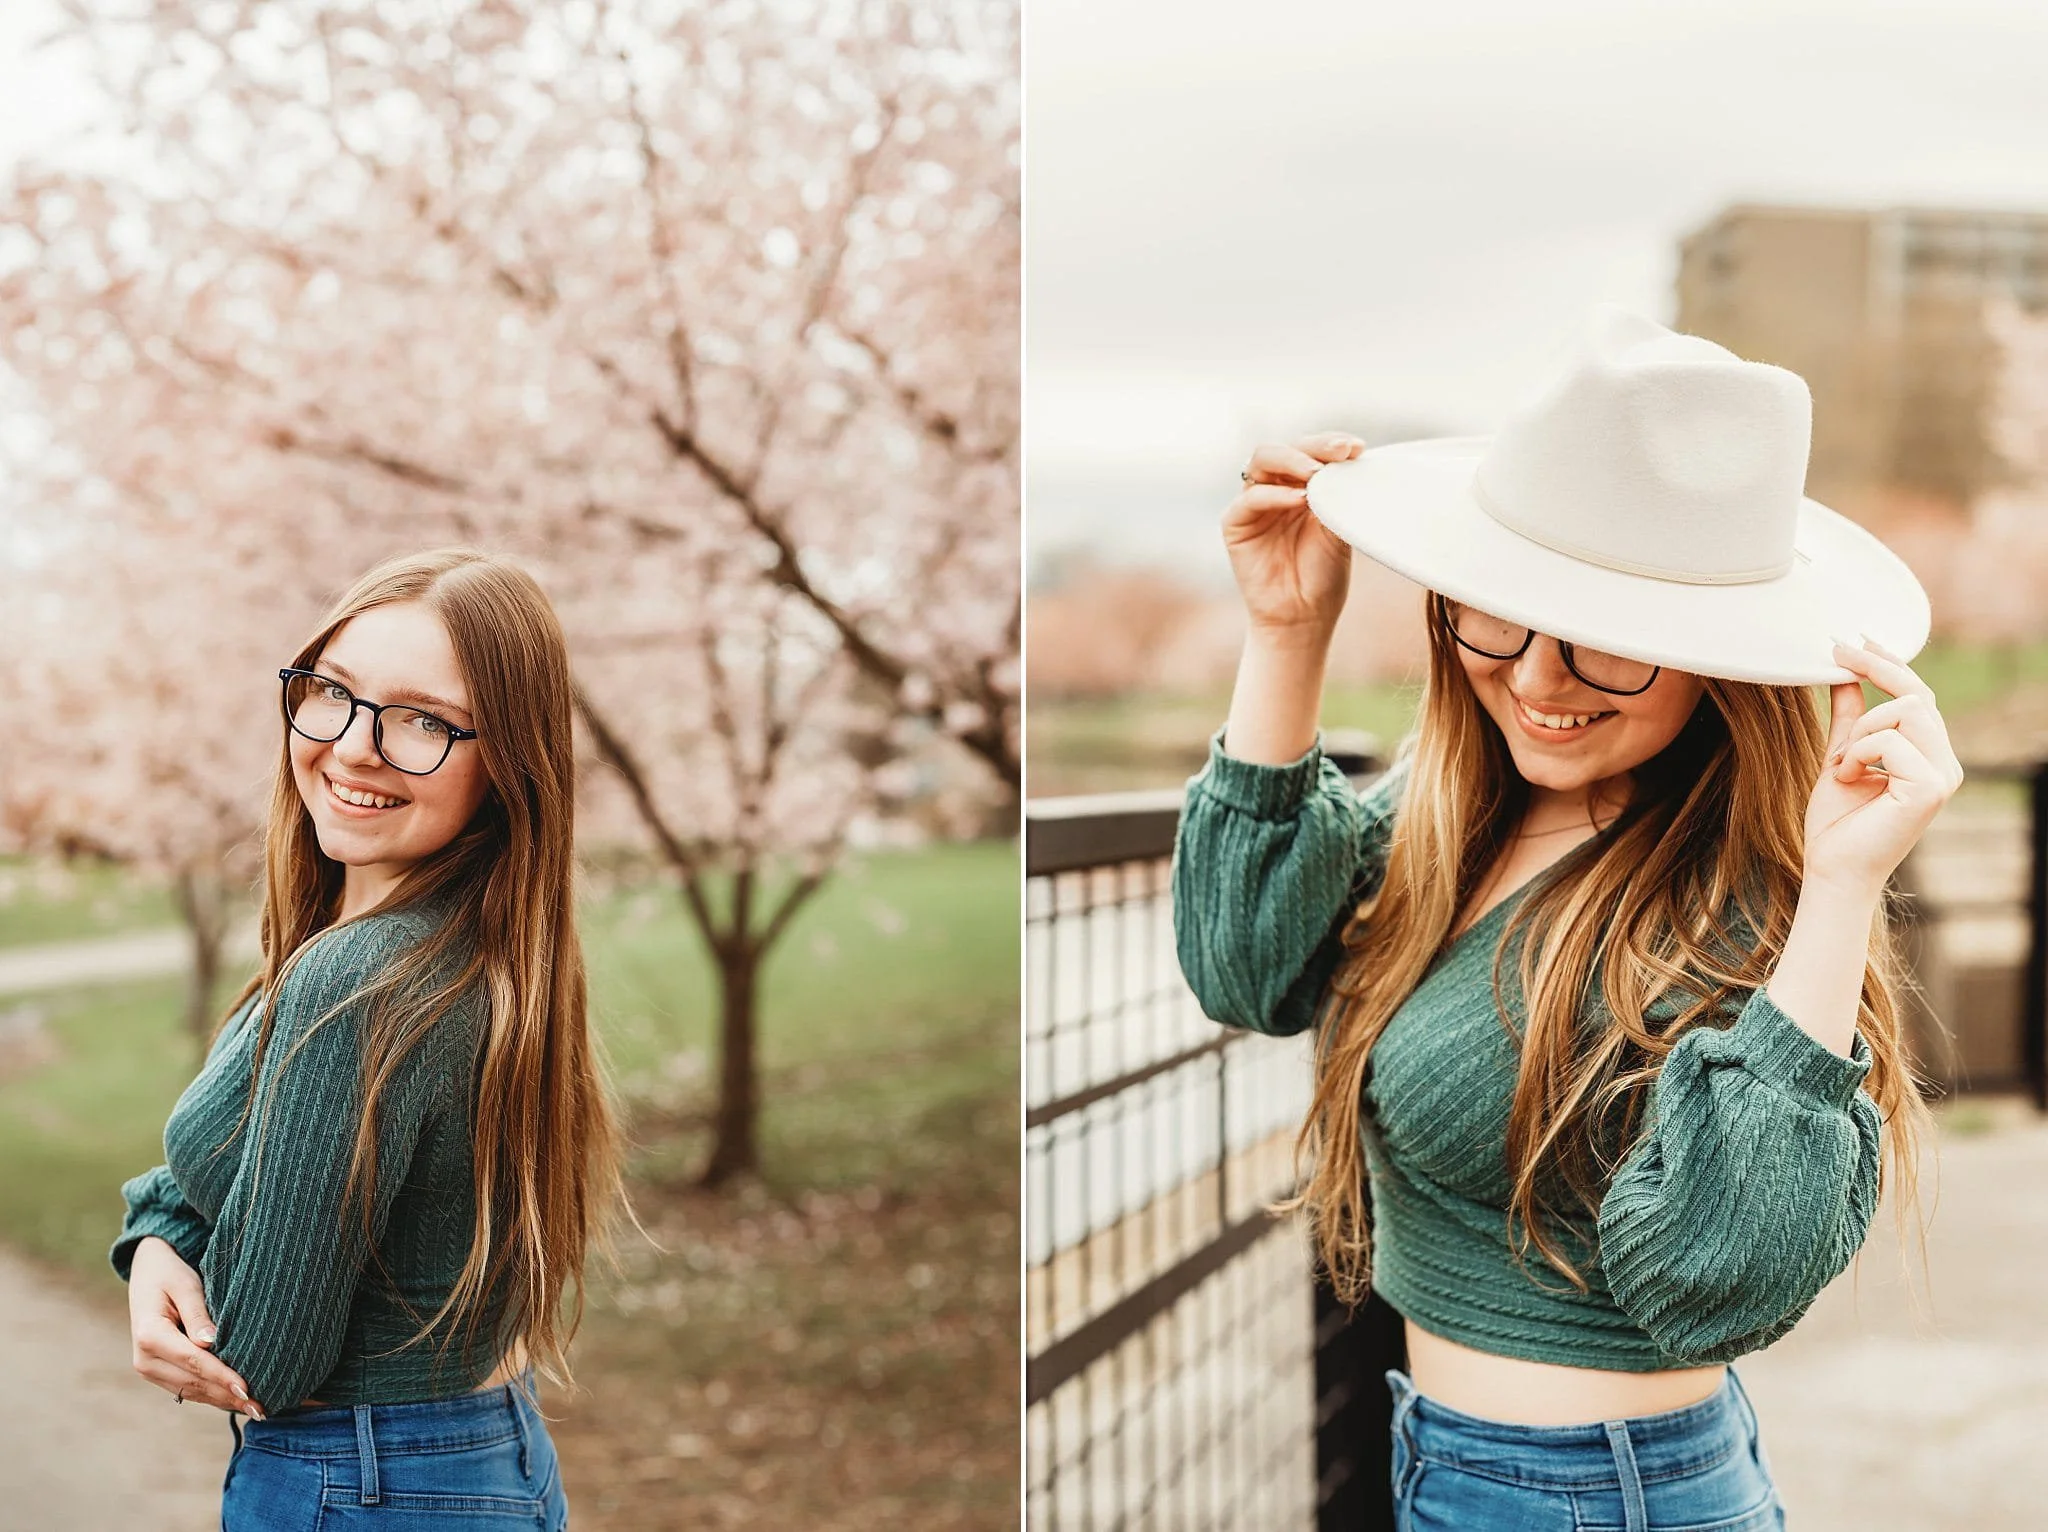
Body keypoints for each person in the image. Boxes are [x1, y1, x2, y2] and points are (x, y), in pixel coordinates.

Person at [1171, 307, 1960, 1530]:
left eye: (1607, 648)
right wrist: (1285, 633)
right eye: (1497, 614)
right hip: (1461, 1465)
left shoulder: (1733, 907)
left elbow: (1713, 1280)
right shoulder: (1453, 821)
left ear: (1715, 662)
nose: (1536, 681)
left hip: (1597, 1496)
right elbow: (1241, 961)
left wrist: (1839, 888)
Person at [111, 547, 624, 1531]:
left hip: (365, 1481)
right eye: (333, 692)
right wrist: (158, 1234)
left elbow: (261, 1353)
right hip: (475, 1454)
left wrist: (163, 1254)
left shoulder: (358, 982)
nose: (353, 746)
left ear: (507, 762)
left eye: (424, 720)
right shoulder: (453, 950)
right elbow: (245, 1153)